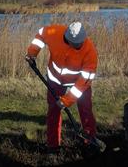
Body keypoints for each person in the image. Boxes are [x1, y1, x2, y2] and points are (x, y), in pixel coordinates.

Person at [25, 21, 101, 153]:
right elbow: (41, 34)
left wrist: (67, 100)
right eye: (76, 44)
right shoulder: (55, 32)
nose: (79, 46)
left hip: (78, 82)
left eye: (81, 43)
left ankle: (90, 140)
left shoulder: (90, 51)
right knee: (53, 110)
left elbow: (84, 82)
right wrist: (32, 53)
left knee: (86, 110)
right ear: (68, 38)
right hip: (55, 80)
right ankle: (53, 145)